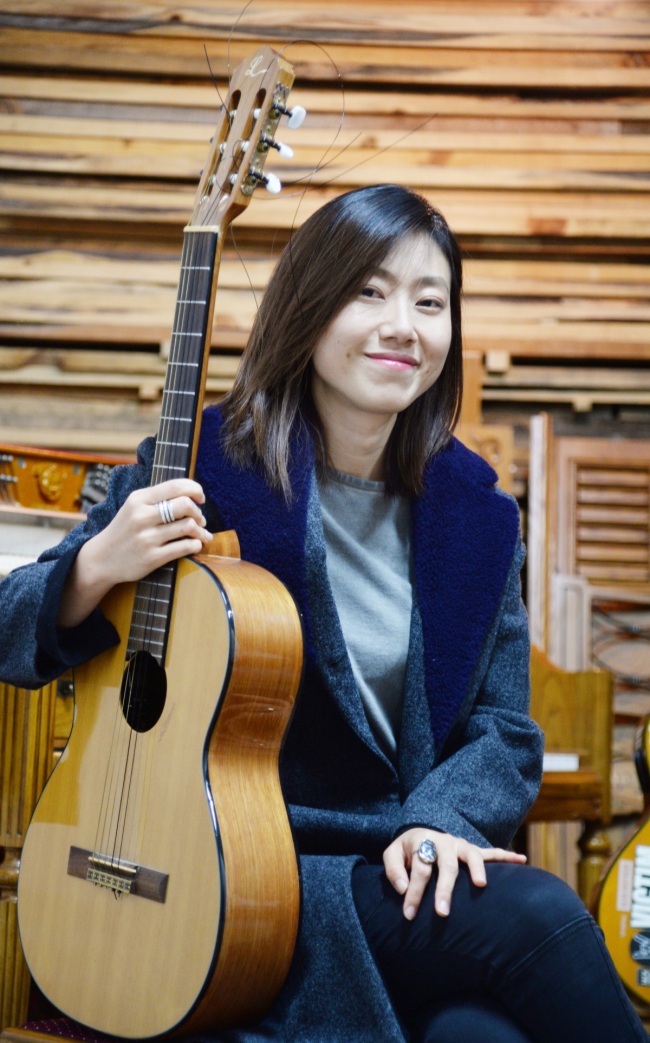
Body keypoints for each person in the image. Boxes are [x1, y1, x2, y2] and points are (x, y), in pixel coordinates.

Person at [0, 184, 645, 1043]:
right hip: (236, 874)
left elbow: (505, 728)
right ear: (310, 306)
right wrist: (95, 565)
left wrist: (439, 820)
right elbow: (11, 625)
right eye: (369, 292)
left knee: (478, 1036)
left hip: (400, 864)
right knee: (540, 914)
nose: (403, 325)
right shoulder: (197, 466)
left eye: (430, 301)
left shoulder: (480, 516)